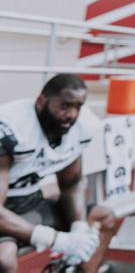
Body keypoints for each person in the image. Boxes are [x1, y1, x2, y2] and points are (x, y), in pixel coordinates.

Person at [0, 74, 116, 272]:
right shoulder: (12, 128)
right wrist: (54, 239)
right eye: (65, 106)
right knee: (4, 259)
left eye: (78, 106)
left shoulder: (80, 126)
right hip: (5, 211)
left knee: (103, 217)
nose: (71, 114)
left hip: (32, 203)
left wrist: (78, 227)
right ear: (41, 101)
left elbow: (71, 183)